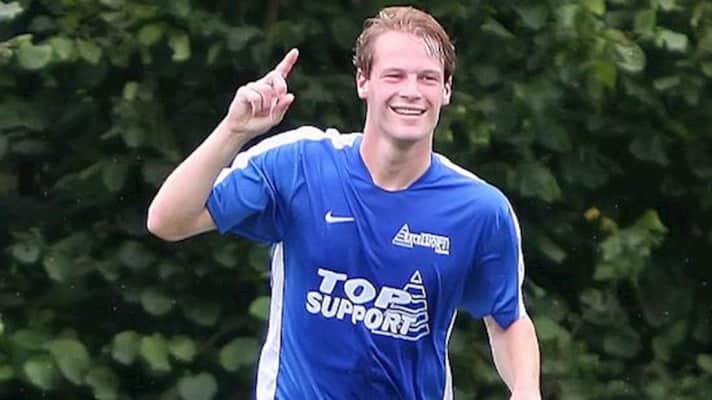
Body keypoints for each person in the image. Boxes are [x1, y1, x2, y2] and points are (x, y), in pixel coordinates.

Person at [147, 6, 541, 400]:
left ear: (446, 90)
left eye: (427, 78)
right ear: (362, 81)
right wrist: (233, 131)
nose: (411, 91)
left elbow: (508, 319)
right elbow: (169, 220)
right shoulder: (299, 163)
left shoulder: (480, 209)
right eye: (395, 75)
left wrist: (526, 389)